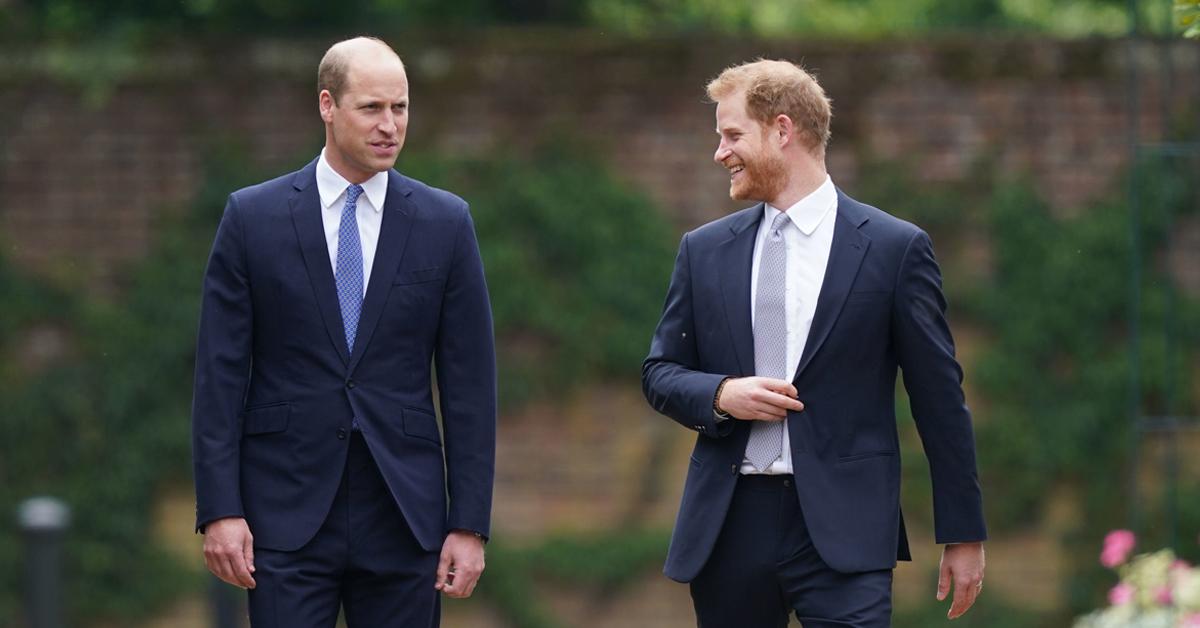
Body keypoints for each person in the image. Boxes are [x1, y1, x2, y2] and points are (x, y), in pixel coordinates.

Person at [642, 59, 987, 627]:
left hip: (847, 528)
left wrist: (964, 531)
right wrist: (722, 394)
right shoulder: (702, 251)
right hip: (728, 526)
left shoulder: (894, 250)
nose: (719, 153)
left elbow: (939, 400)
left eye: (732, 136)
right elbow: (660, 372)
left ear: (783, 130)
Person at [191, 36, 496, 627]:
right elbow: (219, 375)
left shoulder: (445, 222)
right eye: (372, 108)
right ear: (327, 105)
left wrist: (469, 523)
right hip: (283, 512)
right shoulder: (252, 218)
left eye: (401, 108)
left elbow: (470, 385)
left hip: (405, 512)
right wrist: (220, 509)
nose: (390, 126)